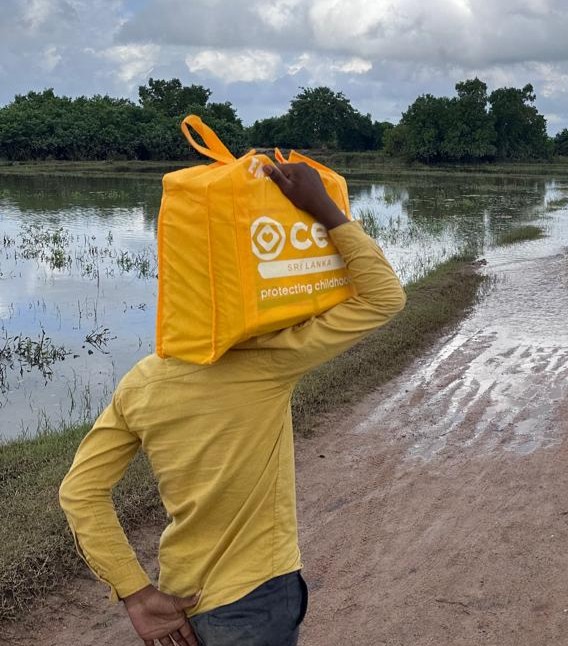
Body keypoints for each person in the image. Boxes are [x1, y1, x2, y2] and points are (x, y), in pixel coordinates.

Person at [59, 162, 406, 646]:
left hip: (181, 598)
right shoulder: (268, 361)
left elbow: (80, 492)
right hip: (258, 598)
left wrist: (135, 593)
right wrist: (324, 209)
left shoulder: (141, 382)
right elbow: (383, 298)